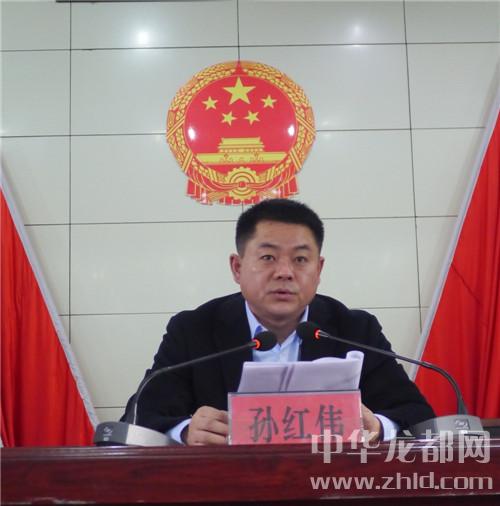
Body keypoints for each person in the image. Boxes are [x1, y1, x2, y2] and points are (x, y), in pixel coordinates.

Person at [123, 199, 434, 445]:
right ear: (237, 267)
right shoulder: (194, 329)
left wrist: (378, 426)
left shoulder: (354, 329)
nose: (284, 272)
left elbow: (416, 414)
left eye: (300, 259)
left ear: (318, 269)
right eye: (268, 257)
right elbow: (137, 417)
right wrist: (185, 430)